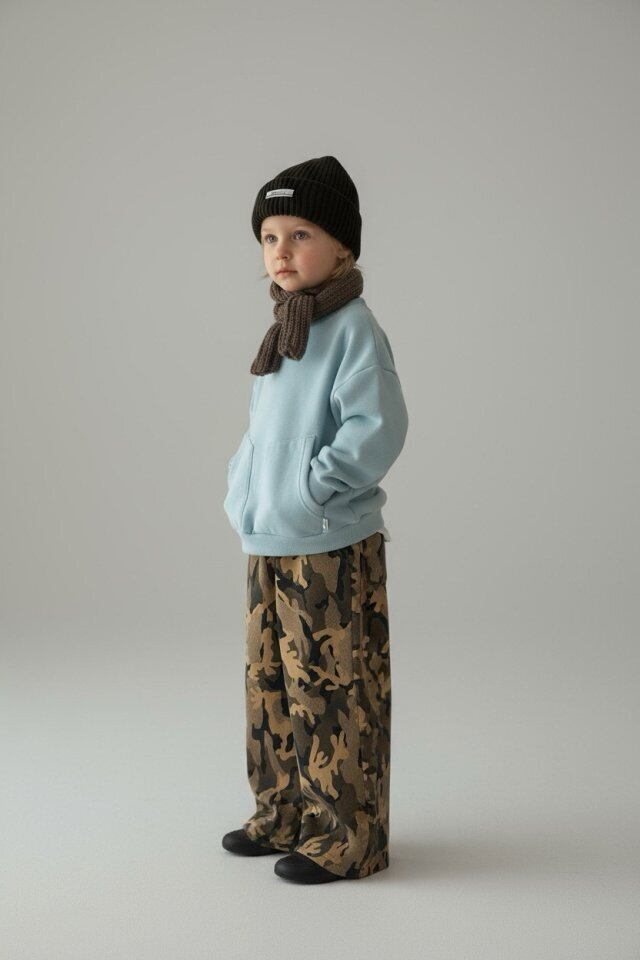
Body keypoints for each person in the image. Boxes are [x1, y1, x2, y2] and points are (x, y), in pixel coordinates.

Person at [222, 155, 409, 883]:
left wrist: (311, 491)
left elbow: (376, 429)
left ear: (342, 247)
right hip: (268, 537)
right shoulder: (284, 329)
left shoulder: (353, 328)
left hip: (327, 542)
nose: (281, 250)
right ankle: (284, 814)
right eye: (269, 236)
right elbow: (264, 433)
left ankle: (347, 838)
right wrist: (244, 490)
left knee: (332, 689)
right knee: (270, 684)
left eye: (300, 234)